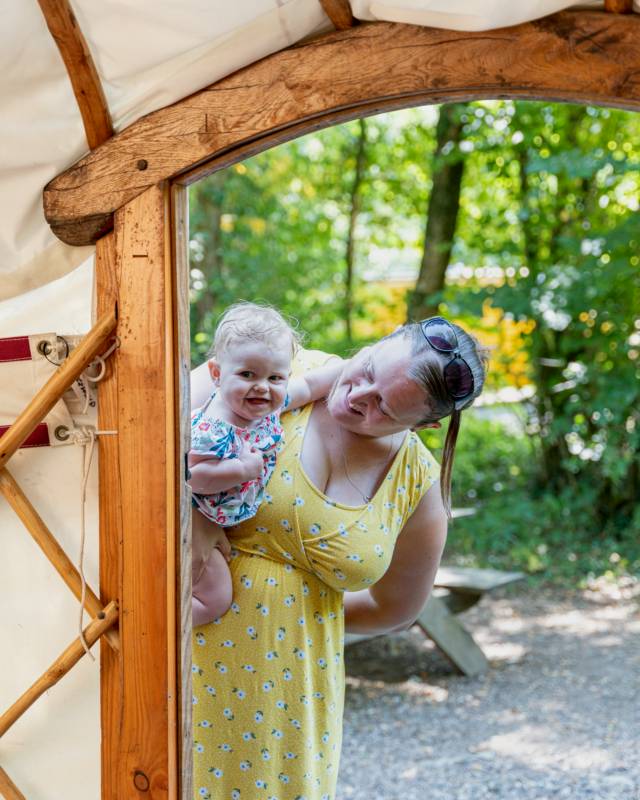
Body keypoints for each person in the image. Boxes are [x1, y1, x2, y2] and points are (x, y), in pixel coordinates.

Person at [191, 316, 488, 800]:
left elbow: (395, 609)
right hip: (185, 653)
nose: (357, 399)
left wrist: (291, 613)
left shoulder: (416, 483)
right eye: (367, 371)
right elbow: (152, 440)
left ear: (426, 425)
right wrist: (197, 523)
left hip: (292, 692)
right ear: (377, 340)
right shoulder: (268, 369)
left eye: (383, 408)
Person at [190, 302, 342, 627]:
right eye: (247, 374)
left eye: (275, 377)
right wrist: (242, 470)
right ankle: (154, 615)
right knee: (214, 599)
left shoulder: (267, 407)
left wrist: (354, 368)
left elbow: (311, 386)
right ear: (217, 374)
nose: (262, 386)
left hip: (216, 518)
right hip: (191, 519)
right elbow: (194, 476)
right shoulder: (214, 427)